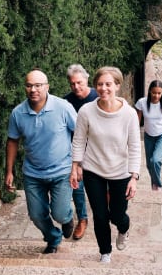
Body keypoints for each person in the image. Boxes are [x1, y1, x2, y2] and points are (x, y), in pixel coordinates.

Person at [70, 66, 141, 264]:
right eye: (99, 84)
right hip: (94, 170)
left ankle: (124, 228)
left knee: (117, 216)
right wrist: (75, 166)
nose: (103, 88)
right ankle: (105, 252)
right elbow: (78, 140)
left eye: (108, 84)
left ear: (117, 86)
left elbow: (135, 146)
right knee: (100, 216)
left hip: (121, 172)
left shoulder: (129, 114)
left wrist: (134, 177)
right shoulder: (86, 111)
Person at [5, 68, 77, 254]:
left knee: (60, 213)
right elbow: (13, 140)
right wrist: (9, 171)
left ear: (47, 87)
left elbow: (80, 134)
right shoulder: (18, 113)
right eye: (29, 85)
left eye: (38, 85)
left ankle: (68, 218)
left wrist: (78, 164)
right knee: (36, 215)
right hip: (33, 173)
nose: (33, 89)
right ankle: (53, 238)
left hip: (62, 171)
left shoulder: (63, 107)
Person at [63, 63, 98, 240]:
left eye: (79, 82)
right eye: (72, 84)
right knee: (77, 184)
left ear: (86, 79)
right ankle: (82, 219)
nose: (76, 87)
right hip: (76, 150)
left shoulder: (98, 96)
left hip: (99, 150)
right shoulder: (66, 102)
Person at [135, 80, 162, 191]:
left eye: (159, 93)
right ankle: (154, 182)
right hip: (148, 136)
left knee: (155, 160)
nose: (156, 96)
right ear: (149, 91)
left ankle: (157, 183)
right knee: (149, 164)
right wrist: (132, 132)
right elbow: (137, 119)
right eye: (154, 93)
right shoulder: (142, 103)